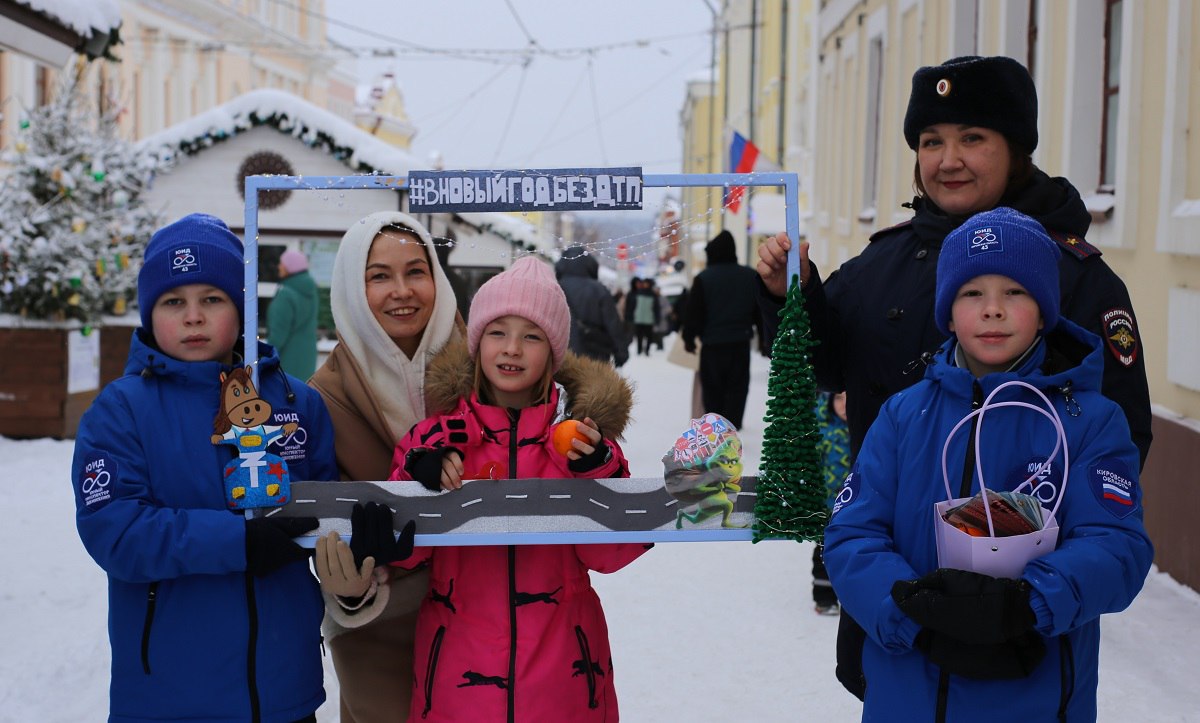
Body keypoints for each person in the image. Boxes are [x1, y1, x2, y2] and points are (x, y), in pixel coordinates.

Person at [755, 54, 1153, 699]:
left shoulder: (1075, 275)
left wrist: (1027, 589)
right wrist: (793, 296)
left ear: (1016, 149)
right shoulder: (885, 258)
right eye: (931, 141)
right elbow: (824, 370)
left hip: (1026, 626)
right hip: (898, 607)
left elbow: (1122, 443)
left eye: (972, 138)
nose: (948, 160)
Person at [822, 207, 1153, 721]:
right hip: (908, 691)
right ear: (948, 312)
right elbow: (851, 533)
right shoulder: (904, 415)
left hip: (1037, 696)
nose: (993, 309)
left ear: (1044, 312)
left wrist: (1027, 604)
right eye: (972, 293)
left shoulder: (1089, 420)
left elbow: (1118, 547)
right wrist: (914, 614)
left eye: (1016, 293)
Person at [321, 256, 649, 721]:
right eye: (498, 331)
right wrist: (418, 484)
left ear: (553, 352)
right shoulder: (436, 439)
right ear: (477, 343)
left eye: (531, 335)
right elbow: (405, 553)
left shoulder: (580, 440)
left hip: (564, 676)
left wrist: (598, 469)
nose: (512, 348)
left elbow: (612, 553)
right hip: (458, 675)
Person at [70, 213, 337, 722]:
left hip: (284, 694)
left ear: (240, 308)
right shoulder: (120, 410)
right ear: (150, 315)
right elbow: (117, 533)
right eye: (174, 302)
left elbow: (325, 514)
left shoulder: (295, 403)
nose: (193, 317)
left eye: (212, 299)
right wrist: (237, 541)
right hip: (168, 698)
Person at [307, 211, 465, 722]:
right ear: (354, 287)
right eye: (379, 276)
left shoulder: (487, 369)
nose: (402, 290)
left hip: (487, 622)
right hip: (382, 632)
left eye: (415, 271)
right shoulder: (322, 400)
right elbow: (321, 536)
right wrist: (351, 587)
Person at [683, 229, 762, 430]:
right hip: (740, 343)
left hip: (712, 346)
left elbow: (694, 313)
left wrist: (689, 338)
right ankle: (733, 427)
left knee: (713, 390)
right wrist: (764, 340)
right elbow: (759, 312)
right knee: (737, 388)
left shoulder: (704, 278)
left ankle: (715, 428)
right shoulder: (750, 276)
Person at [555, 244, 629, 366]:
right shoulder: (599, 290)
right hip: (594, 357)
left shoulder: (554, 288)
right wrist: (621, 352)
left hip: (560, 357)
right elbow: (613, 323)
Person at [813, 390, 850, 616]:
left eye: (848, 397)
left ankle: (849, 595)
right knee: (824, 550)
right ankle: (824, 596)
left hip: (854, 505)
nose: (844, 404)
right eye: (838, 398)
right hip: (827, 504)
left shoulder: (866, 428)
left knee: (850, 549)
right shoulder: (822, 430)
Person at [268, 247, 319, 379]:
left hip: (285, 364)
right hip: (307, 360)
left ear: (290, 267)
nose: (279, 266)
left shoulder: (286, 295)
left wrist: (263, 358)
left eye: (282, 263)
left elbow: (278, 335)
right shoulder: (310, 292)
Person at [625, 277, 660, 356]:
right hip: (639, 318)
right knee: (639, 336)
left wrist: (657, 318)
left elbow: (656, 308)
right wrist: (630, 315)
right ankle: (639, 350)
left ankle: (647, 350)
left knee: (649, 336)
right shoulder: (638, 293)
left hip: (649, 319)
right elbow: (632, 306)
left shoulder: (653, 295)